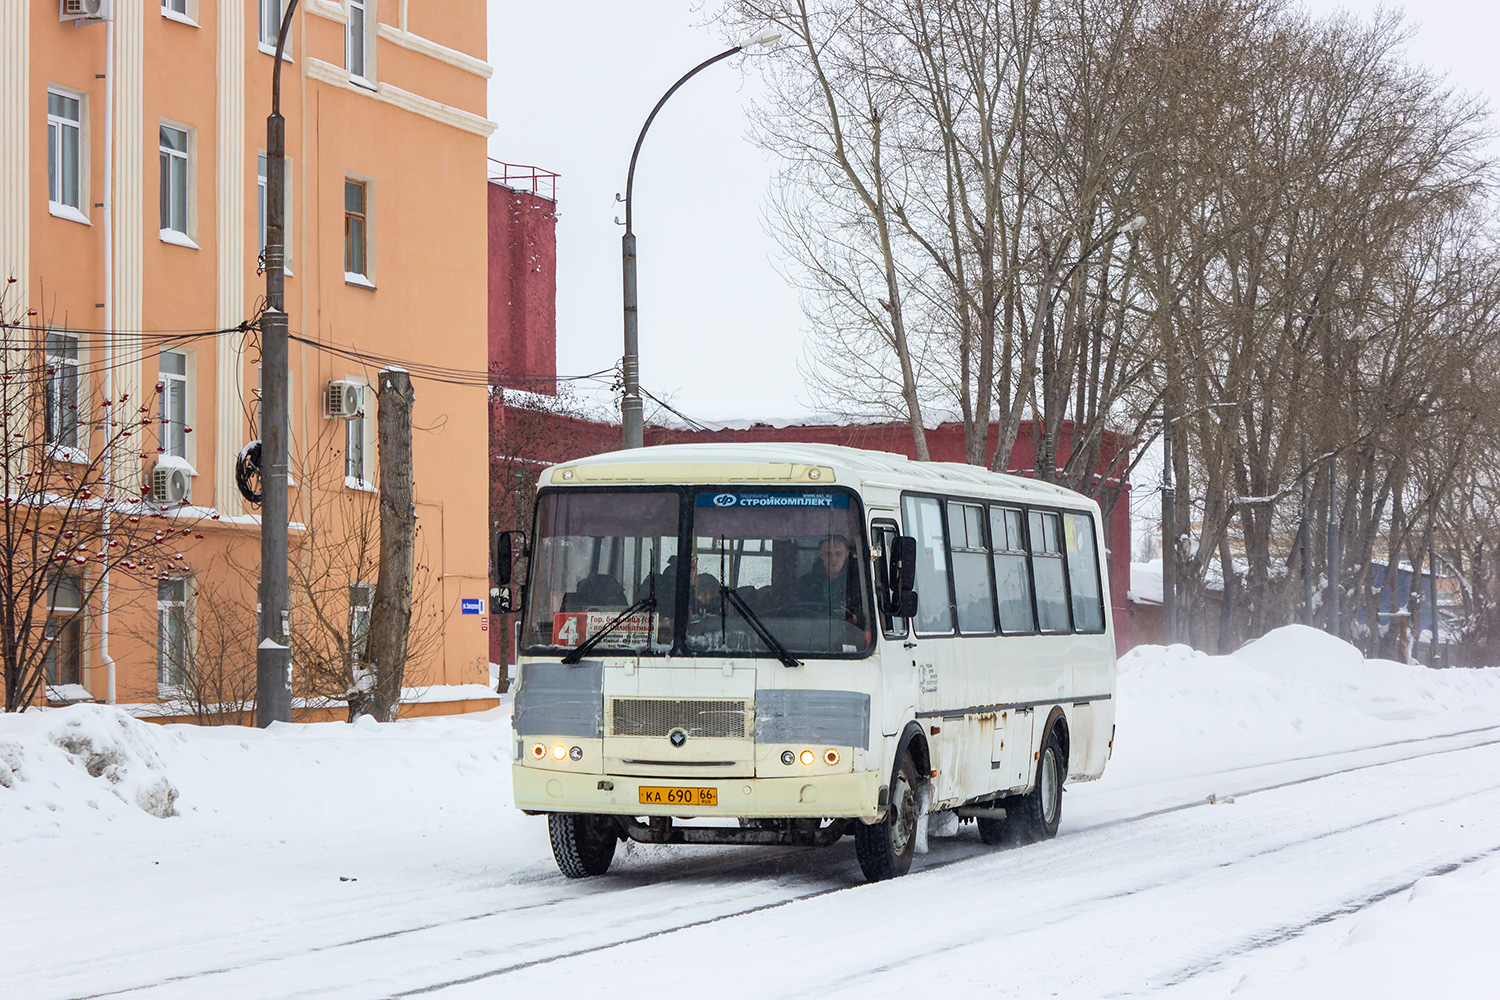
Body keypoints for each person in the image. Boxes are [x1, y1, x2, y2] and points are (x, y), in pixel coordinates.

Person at [788, 534, 863, 626]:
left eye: (838, 553)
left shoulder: (859, 583)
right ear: (820, 554)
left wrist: (856, 619)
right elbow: (796, 613)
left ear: (847, 554)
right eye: (828, 554)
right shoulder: (805, 583)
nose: (833, 559)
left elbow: (869, 615)